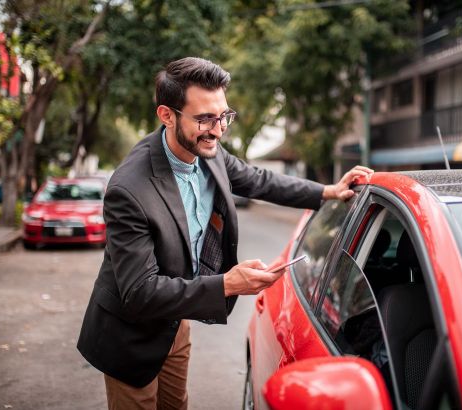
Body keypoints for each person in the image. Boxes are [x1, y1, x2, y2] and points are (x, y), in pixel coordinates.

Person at [77, 57, 373, 410]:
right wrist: (228, 284)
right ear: (167, 115)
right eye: (204, 119)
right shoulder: (129, 189)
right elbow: (139, 293)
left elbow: (257, 179)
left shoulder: (209, 151)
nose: (217, 130)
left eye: (223, 117)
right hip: (130, 337)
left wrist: (326, 192)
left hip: (175, 325)